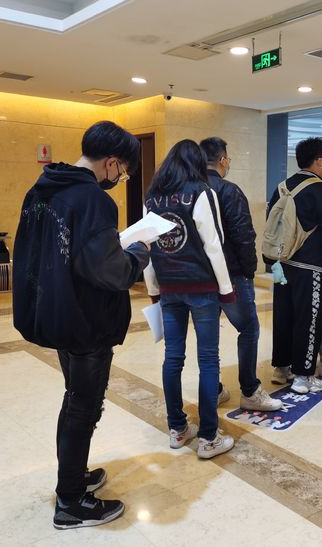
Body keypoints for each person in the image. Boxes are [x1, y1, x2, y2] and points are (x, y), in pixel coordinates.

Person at [12, 121, 150, 529]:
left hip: (56, 311)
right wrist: (139, 253)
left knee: (74, 399)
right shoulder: (93, 200)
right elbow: (110, 272)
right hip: (87, 320)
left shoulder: (42, 188)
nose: (120, 178)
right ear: (111, 162)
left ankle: (72, 478)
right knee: (83, 407)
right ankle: (71, 503)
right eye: (123, 171)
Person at [144, 139, 236, 460]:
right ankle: (209, 437)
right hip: (202, 288)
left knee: (173, 358)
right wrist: (226, 289)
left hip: (169, 288)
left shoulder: (152, 197)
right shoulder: (201, 193)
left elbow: (147, 246)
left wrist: (153, 289)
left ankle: (177, 428)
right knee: (208, 360)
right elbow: (214, 245)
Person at [199, 137, 282, 410]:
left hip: (199, 278)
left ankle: (213, 391)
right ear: (223, 160)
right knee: (248, 328)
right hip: (232, 274)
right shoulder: (229, 190)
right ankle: (249, 390)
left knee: (208, 338)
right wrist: (248, 271)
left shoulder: (190, 190)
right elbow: (244, 235)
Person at [267, 137, 322, 394]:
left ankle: (281, 368)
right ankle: (303, 376)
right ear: (318, 161)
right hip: (310, 267)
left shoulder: (282, 187)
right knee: (309, 320)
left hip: (282, 263)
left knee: (283, 316)